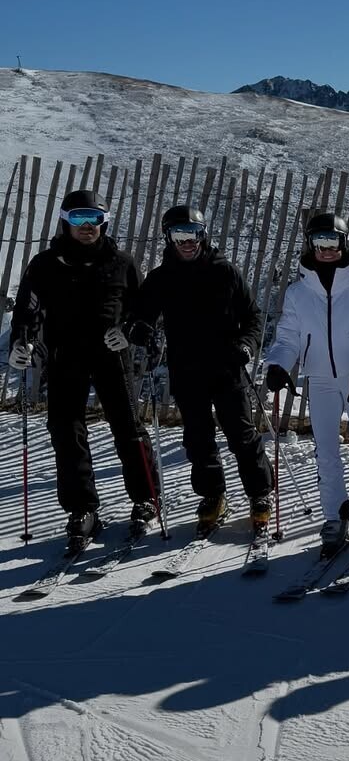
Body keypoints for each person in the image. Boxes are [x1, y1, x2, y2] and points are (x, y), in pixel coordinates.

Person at [9, 189, 159, 545]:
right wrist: (22, 341)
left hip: (111, 355)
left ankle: (146, 499)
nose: (87, 226)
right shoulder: (45, 264)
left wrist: (129, 333)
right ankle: (82, 508)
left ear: (104, 223)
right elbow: (28, 311)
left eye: (95, 219)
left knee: (127, 427)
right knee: (65, 430)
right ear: (65, 221)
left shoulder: (122, 262)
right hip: (65, 356)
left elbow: (142, 311)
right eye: (78, 218)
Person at [129, 204, 273, 537]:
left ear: (203, 234)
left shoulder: (225, 272)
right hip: (186, 369)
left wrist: (247, 346)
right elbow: (142, 315)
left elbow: (252, 318)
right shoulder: (161, 278)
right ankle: (213, 495)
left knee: (241, 433)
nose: (187, 241)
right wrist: (142, 330)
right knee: (197, 438)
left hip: (227, 367)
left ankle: (260, 492)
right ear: (168, 238)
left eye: (192, 233)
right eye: (179, 235)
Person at [263, 210, 349, 556]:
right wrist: (278, 363)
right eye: (319, 241)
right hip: (318, 378)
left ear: (343, 243)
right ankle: (335, 517)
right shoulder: (297, 292)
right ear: (310, 244)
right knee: (326, 452)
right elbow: (288, 335)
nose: (326, 249)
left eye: (332, 241)